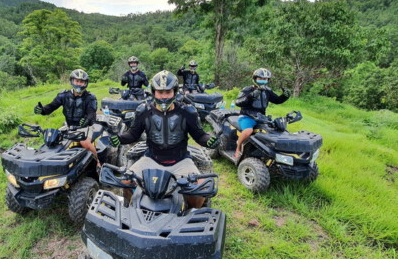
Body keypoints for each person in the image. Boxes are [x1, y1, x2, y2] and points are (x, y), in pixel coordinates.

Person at [109, 70, 220, 208]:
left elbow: (199, 135)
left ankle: (191, 215)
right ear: (153, 92)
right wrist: (119, 138)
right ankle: (130, 209)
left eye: (168, 92)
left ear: (174, 92)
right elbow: (133, 134)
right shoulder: (143, 110)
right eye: (160, 92)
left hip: (180, 160)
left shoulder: (187, 111)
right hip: (151, 158)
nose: (164, 96)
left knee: (199, 191)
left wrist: (209, 140)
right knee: (126, 182)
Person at [34, 69, 100, 168]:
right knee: (52, 140)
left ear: (85, 83)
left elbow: (92, 113)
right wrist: (42, 110)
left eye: (81, 81)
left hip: (84, 127)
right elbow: (51, 106)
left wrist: (87, 120)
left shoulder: (90, 97)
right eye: (77, 81)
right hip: (68, 125)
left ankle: (99, 161)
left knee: (85, 143)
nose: (79, 84)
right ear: (72, 81)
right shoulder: (63, 95)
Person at [234, 68, 291, 158]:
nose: (262, 81)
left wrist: (285, 96)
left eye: (265, 79)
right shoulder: (248, 89)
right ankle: (238, 147)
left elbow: (277, 100)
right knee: (248, 130)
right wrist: (252, 95)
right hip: (247, 116)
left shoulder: (267, 91)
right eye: (260, 78)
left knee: (275, 130)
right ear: (255, 79)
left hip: (261, 118)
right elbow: (238, 102)